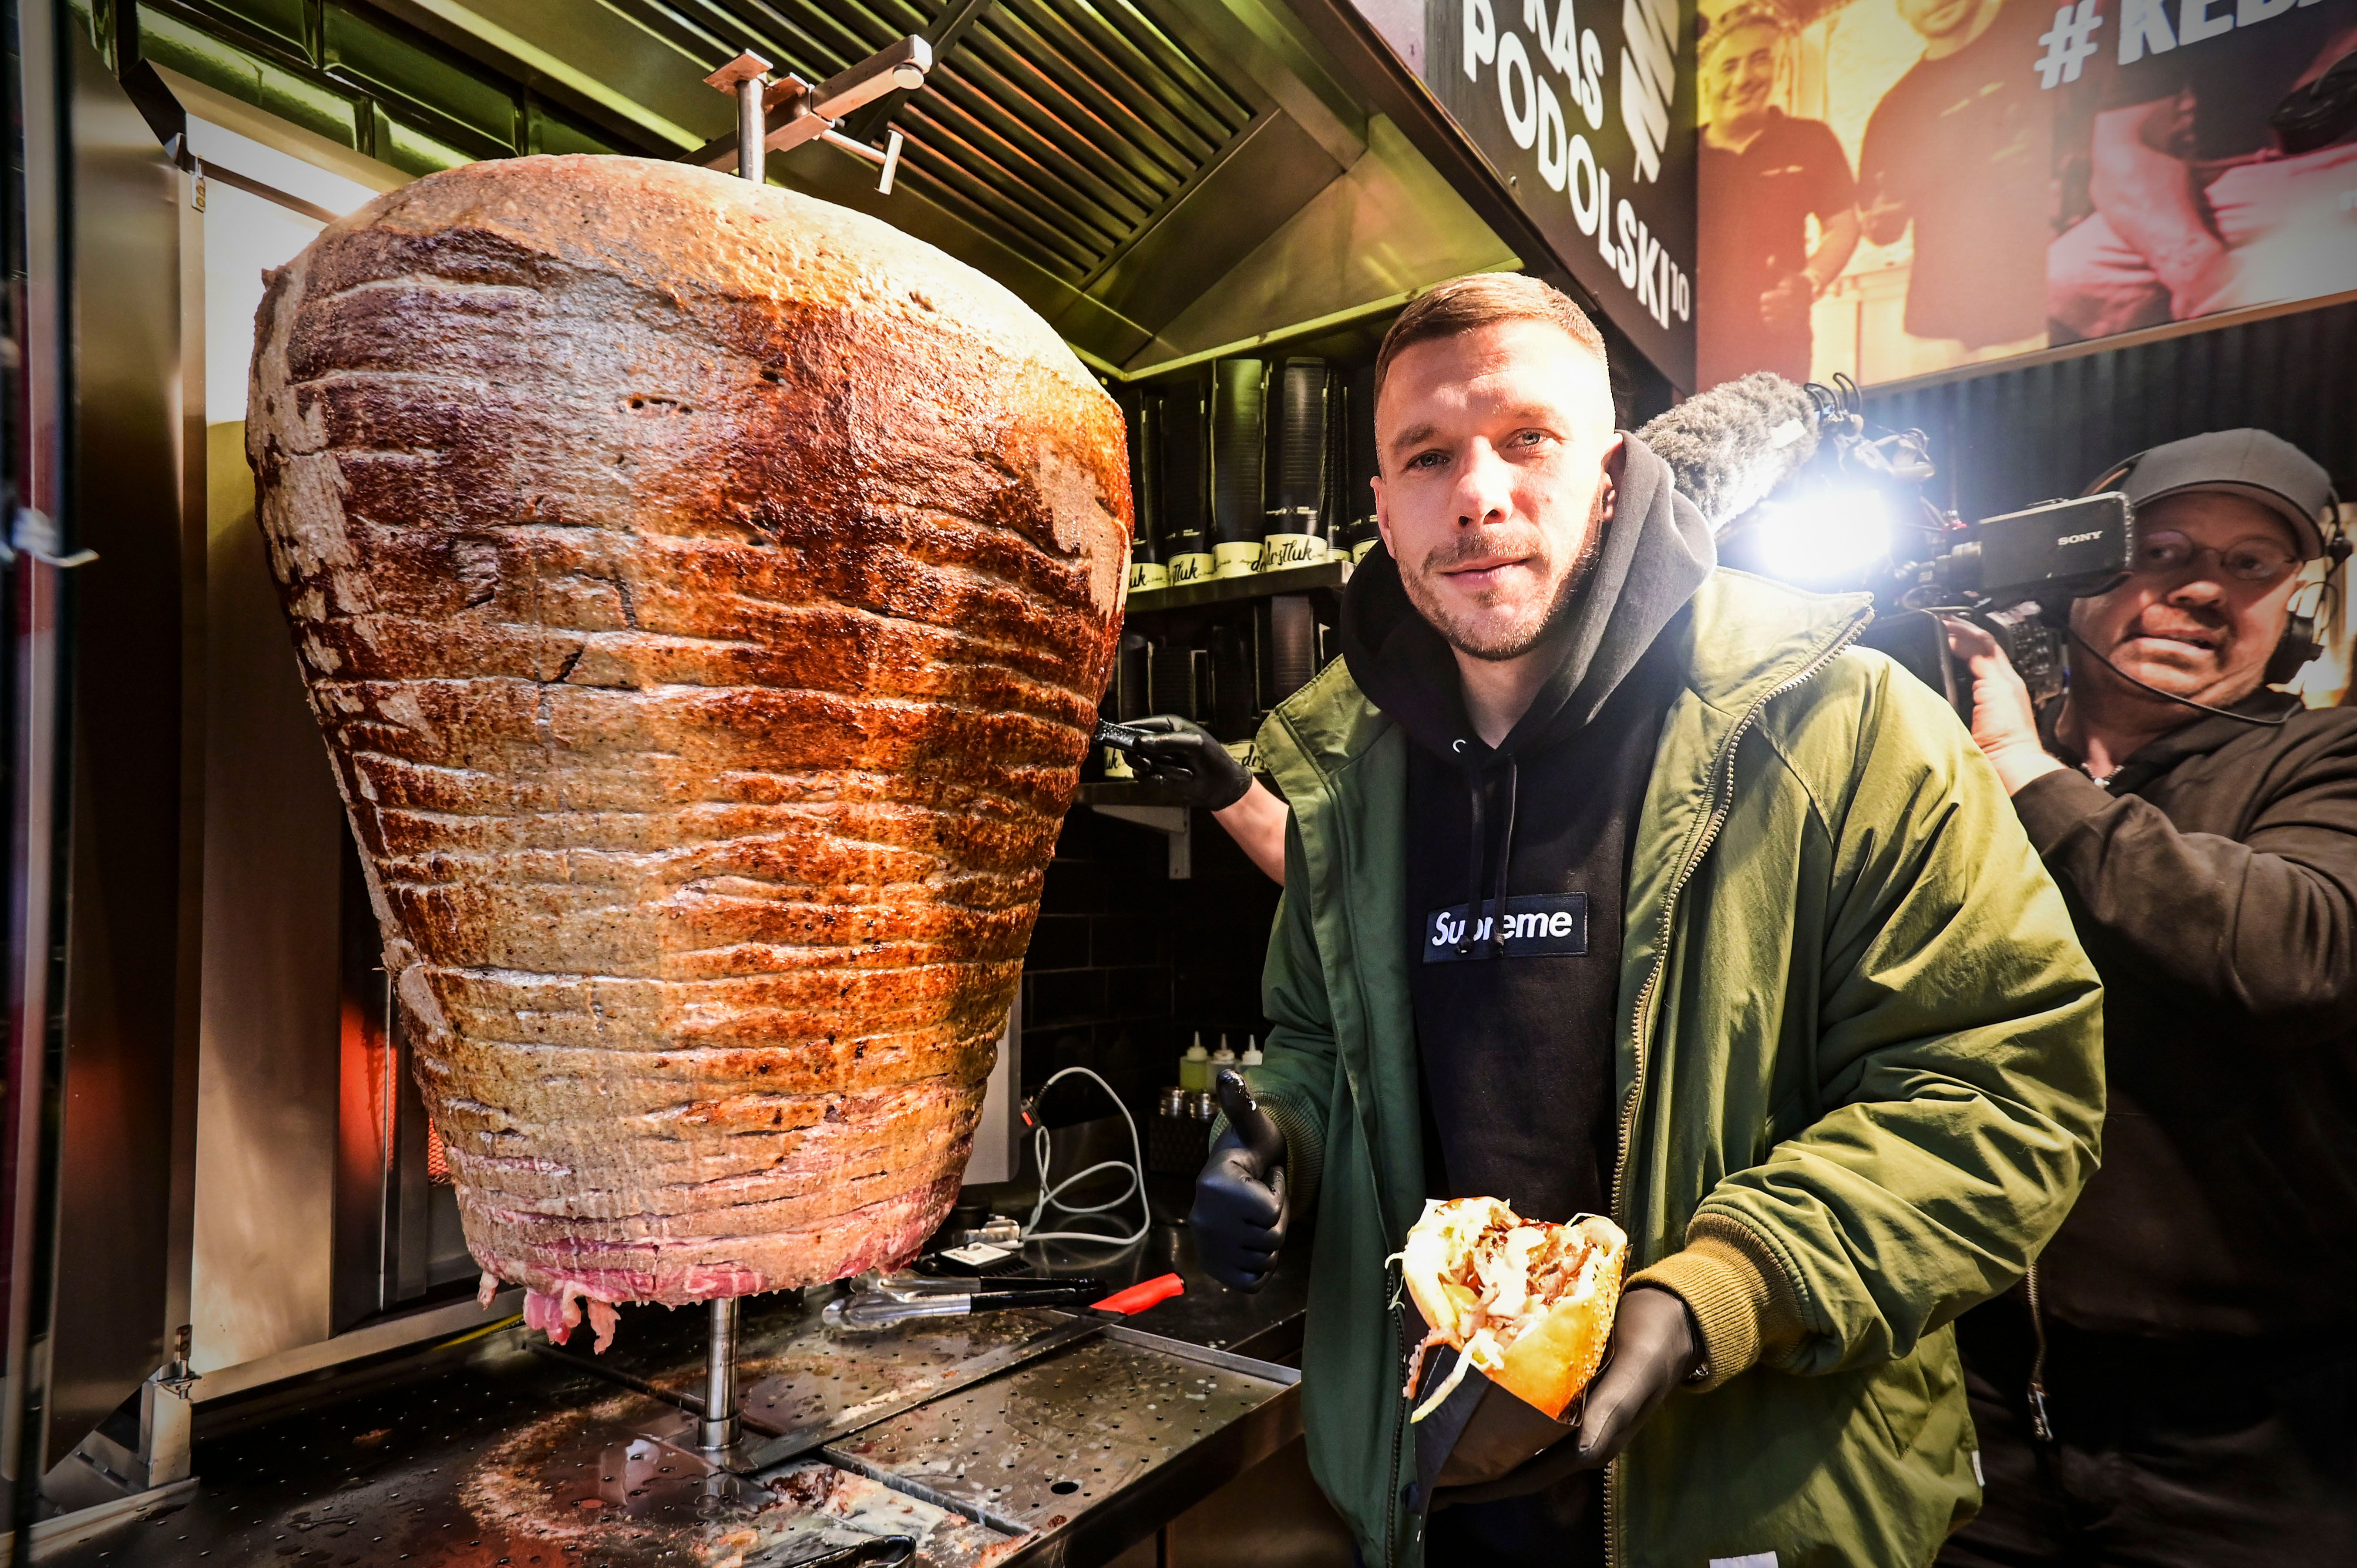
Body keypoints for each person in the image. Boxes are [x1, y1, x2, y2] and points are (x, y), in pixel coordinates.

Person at [1185, 272, 2105, 1567]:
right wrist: (1278, 1142)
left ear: (1613, 473)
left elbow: (1998, 1093)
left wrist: (1716, 1291)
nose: (1478, 491)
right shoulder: (1347, 778)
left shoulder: (1838, 727)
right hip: (1428, 1491)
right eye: (1427, 456)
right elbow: (1313, 1047)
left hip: (1740, 1481)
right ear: (1384, 515)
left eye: (1526, 441)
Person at [1937, 429, 2357, 1566]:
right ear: (2071, 572)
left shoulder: (2322, 758)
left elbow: (2295, 952)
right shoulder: (1948, 766)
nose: (2197, 588)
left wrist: (2031, 780)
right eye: (2157, 548)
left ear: (2297, 610)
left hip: (2248, 1444)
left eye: (2247, 565)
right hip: (1976, 1409)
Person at [2049, 4, 2357, 339]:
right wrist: (2202, 275)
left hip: (2343, 172)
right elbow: (2127, 143)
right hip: (2230, 183)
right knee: (2065, 278)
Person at [1858, 0, 2052, 359]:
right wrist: (1880, 222)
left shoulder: (2043, 34)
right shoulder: (1894, 108)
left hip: (2040, 315)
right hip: (1936, 329)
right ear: (1900, 9)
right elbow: (1879, 227)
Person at [1695, 4, 1860, 390]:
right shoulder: (1683, 159)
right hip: (1692, 353)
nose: (1745, 78)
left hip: (1779, 350)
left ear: (1778, 69)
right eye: (1729, 66)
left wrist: (1810, 281)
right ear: (1705, 82)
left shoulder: (1811, 140)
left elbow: (1844, 223)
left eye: (1760, 60)